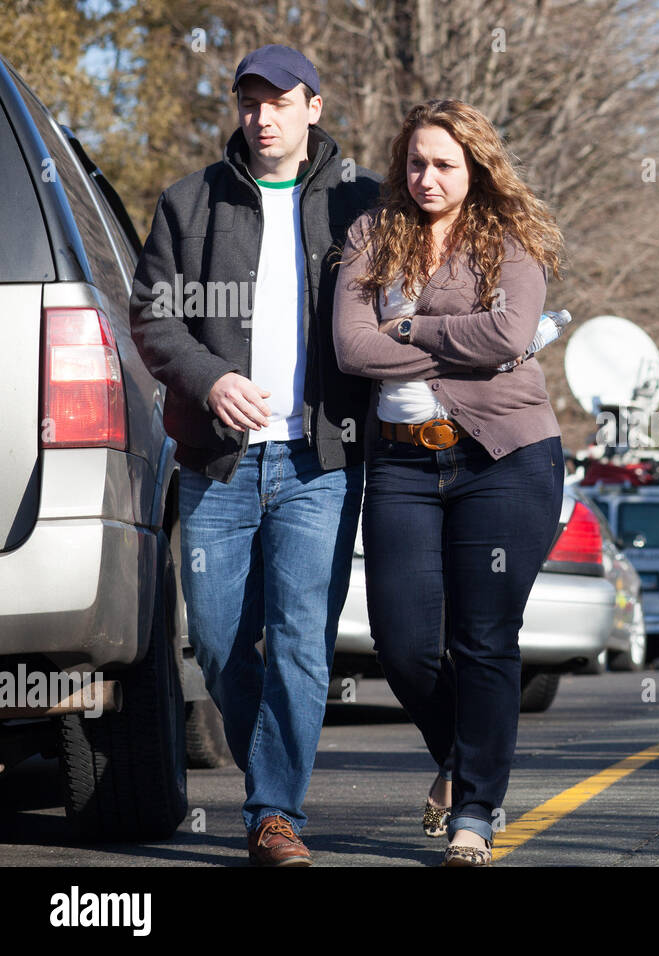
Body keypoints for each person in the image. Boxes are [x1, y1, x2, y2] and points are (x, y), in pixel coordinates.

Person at [129, 45, 379, 865]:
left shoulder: (363, 206)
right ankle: (267, 774)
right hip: (218, 464)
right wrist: (209, 380)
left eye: (279, 101)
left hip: (320, 461)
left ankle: (275, 814)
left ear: (314, 106)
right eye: (249, 101)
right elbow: (155, 321)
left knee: (301, 640)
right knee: (218, 643)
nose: (262, 116)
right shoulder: (189, 202)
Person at [333, 99, 565, 867]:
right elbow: (352, 350)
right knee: (403, 647)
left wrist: (410, 329)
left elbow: (506, 336)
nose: (426, 177)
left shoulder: (510, 238)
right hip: (400, 462)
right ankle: (464, 758)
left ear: (475, 169)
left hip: (504, 459)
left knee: (486, 640)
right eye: (416, 162)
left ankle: (475, 811)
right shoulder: (372, 234)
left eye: (444, 165)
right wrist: (453, 345)